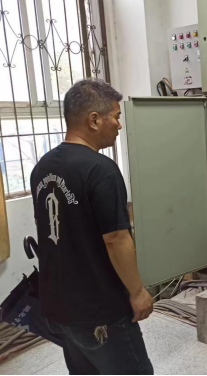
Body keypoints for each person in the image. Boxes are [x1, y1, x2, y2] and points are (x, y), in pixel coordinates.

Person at [30, 79, 153, 375]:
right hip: (100, 311)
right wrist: (137, 291)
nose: (119, 125)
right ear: (94, 120)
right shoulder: (101, 170)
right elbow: (116, 239)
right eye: (116, 116)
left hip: (59, 307)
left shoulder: (42, 168)